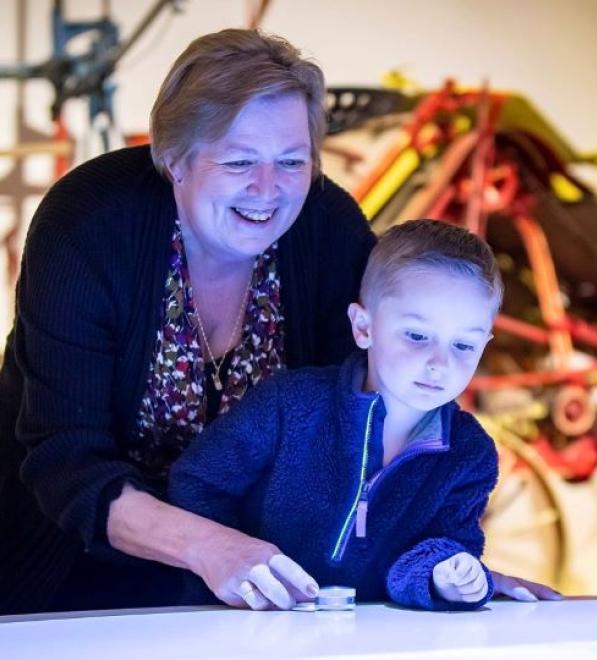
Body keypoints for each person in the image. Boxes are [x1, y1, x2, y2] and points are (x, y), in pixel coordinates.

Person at [0, 28, 558, 615]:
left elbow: (364, 424)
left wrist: (440, 564)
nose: (267, 190)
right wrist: (210, 546)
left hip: (245, 581)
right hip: (55, 562)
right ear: (174, 159)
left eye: (292, 161)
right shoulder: (90, 223)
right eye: (239, 160)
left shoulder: (327, 229)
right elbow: (65, 460)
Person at [169, 220, 500, 611]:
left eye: (464, 344)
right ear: (363, 327)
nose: (439, 363)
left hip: (372, 639)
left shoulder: (470, 454)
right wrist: (236, 572)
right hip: (248, 623)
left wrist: (446, 575)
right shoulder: (290, 404)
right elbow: (197, 482)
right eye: (416, 335)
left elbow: (444, 544)